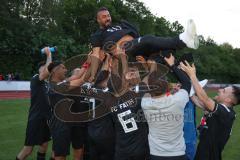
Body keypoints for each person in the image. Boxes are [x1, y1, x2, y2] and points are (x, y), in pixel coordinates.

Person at [86, 6, 199, 83]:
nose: (108, 18)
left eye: (108, 15)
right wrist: (92, 74)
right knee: (148, 38)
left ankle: (188, 82)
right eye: (104, 17)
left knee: (166, 52)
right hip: (125, 50)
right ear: (98, 20)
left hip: (137, 46)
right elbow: (96, 54)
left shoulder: (119, 25)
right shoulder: (98, 34)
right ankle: (183, 40)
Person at [180, 61, 240, 160]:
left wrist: (192, 75)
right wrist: (188, 90)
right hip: (202, 153)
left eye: (223, 91)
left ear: (228, 100)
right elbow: (198, 101)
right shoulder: (222, 111)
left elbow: (205, 99)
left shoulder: (225, 113)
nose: (220, 90)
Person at [141, 54, 191, 160]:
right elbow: (186, 82)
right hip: (178, 154)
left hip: (155, 154)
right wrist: (172, 65)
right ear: (167, 86)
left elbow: (145, 87)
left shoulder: (145, 103)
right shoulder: (178, 100)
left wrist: (151, 67)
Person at [16, 47, 52, 160]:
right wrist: (49, 54)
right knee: (28, 150)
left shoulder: (47, 84)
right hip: (36, 119)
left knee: (44, 145)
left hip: (46, 119)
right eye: (44, 69)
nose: (46, 71)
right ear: (40, 70)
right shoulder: (36, 79)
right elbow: (47, 70)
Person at [47, 64, 87, 160]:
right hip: (61, 124)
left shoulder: (61, 83)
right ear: (54, 71)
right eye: (63, 68)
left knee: (78, 148)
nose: (66, 70)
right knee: (60, 155)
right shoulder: (56, 86)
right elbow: (81, 79)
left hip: (72, 122)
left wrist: (87, 63)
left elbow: (77, 76)